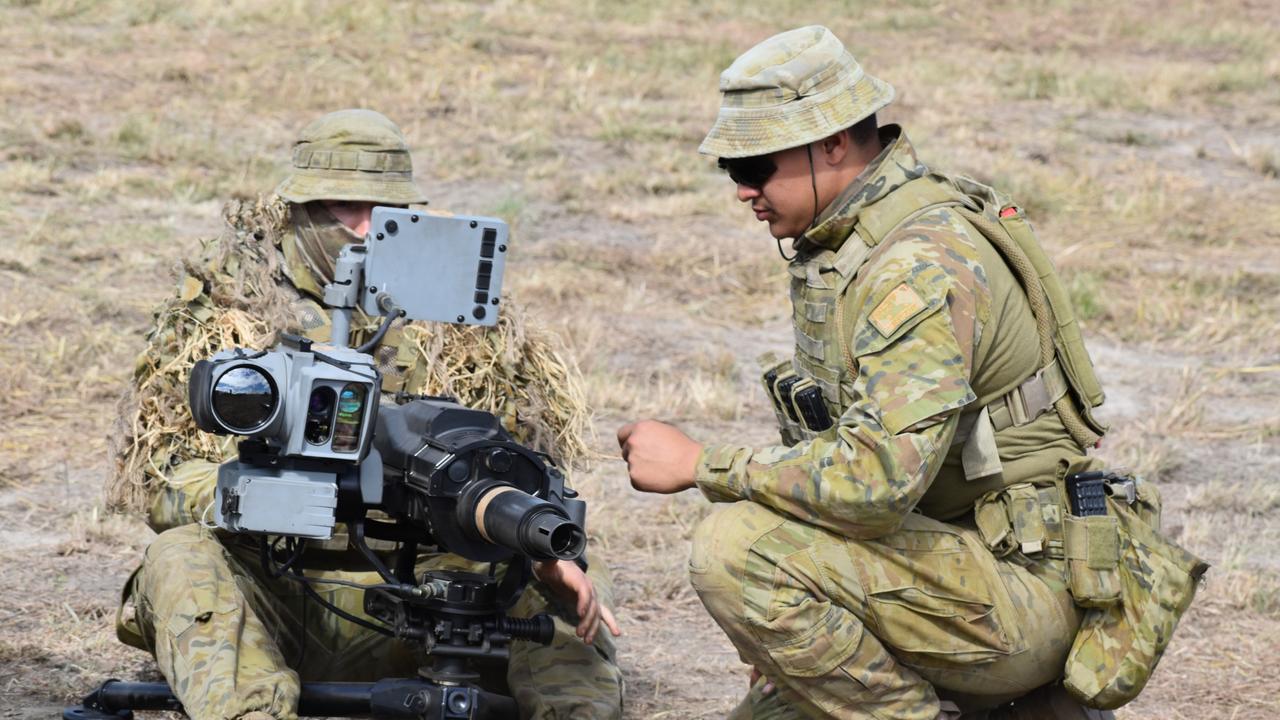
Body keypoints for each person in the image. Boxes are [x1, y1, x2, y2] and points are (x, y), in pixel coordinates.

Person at [617, 26, 1185, 719]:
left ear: (831, 146)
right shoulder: (855, 242)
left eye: (755, 167)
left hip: (1022, 591)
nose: (743, 192)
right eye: (732, 171)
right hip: (955, 568)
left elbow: (876, 480)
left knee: (735, 549)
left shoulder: (913, 263)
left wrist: (704, 464)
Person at [112, 109, 623, 720]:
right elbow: (162, 482)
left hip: (436, 602)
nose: (363, 228)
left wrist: (548, 545)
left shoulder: (460, 313)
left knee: (554, 570)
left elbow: (524, 464)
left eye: (380, 209)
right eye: (342, 207)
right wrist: (271, 493)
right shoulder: (221, 309)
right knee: (182, 558)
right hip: (278, 593)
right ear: (297, 209)